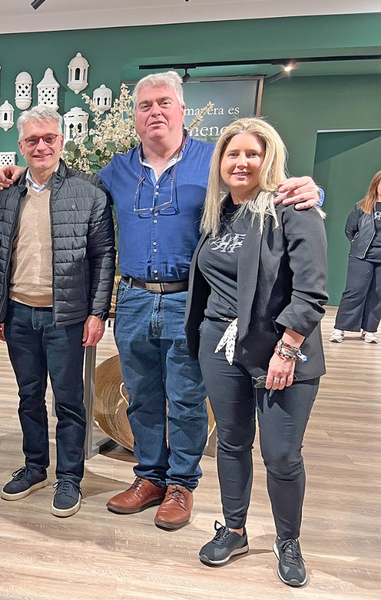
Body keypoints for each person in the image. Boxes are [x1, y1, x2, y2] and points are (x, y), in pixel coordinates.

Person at [1, 71, 322, 530]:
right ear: (134, 116)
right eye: (145, 105)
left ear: (181, 110)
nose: (155, 112)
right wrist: (16, 175)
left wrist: (312, 191)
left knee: (187, 398)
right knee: (142, 396)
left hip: (189, 302)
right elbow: (66, 188)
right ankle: (149, 476)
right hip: (131, 299)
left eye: (164, 103)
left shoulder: (213, 162)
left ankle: (181, 484)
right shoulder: (116, 171)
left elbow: (263, 188)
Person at [185, 118, 327, 587]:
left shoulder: (292, 208)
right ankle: (235, 528)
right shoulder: (217, 214)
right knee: (230, 441)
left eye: (252, 153)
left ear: (269, 160)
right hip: (219, 346)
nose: (242, 162)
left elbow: (311, 292)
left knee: (282, 454)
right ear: (220, 164)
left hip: (278, 350)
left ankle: (288, 540)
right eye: (232, 153)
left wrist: (287, 350)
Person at [0, 105, 116, 518]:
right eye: (32, 140)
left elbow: (104, 257)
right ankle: (34, 467)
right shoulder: (7, 194)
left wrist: (98, 312)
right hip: (18, 314)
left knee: (68, 400)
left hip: (66, 318)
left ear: (62, 141)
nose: (41, 146)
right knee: (28, 396)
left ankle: (69, 476)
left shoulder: (90, 191)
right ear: (21, 146)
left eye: (49, 138)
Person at [329, 169, 381, 344]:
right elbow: (350, 230)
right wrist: (358, 245)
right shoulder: (362, 206)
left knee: (377, 294)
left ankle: (369, 330)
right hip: (362, 257)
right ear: (376, 185)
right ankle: (339, 329)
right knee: (354, 291)